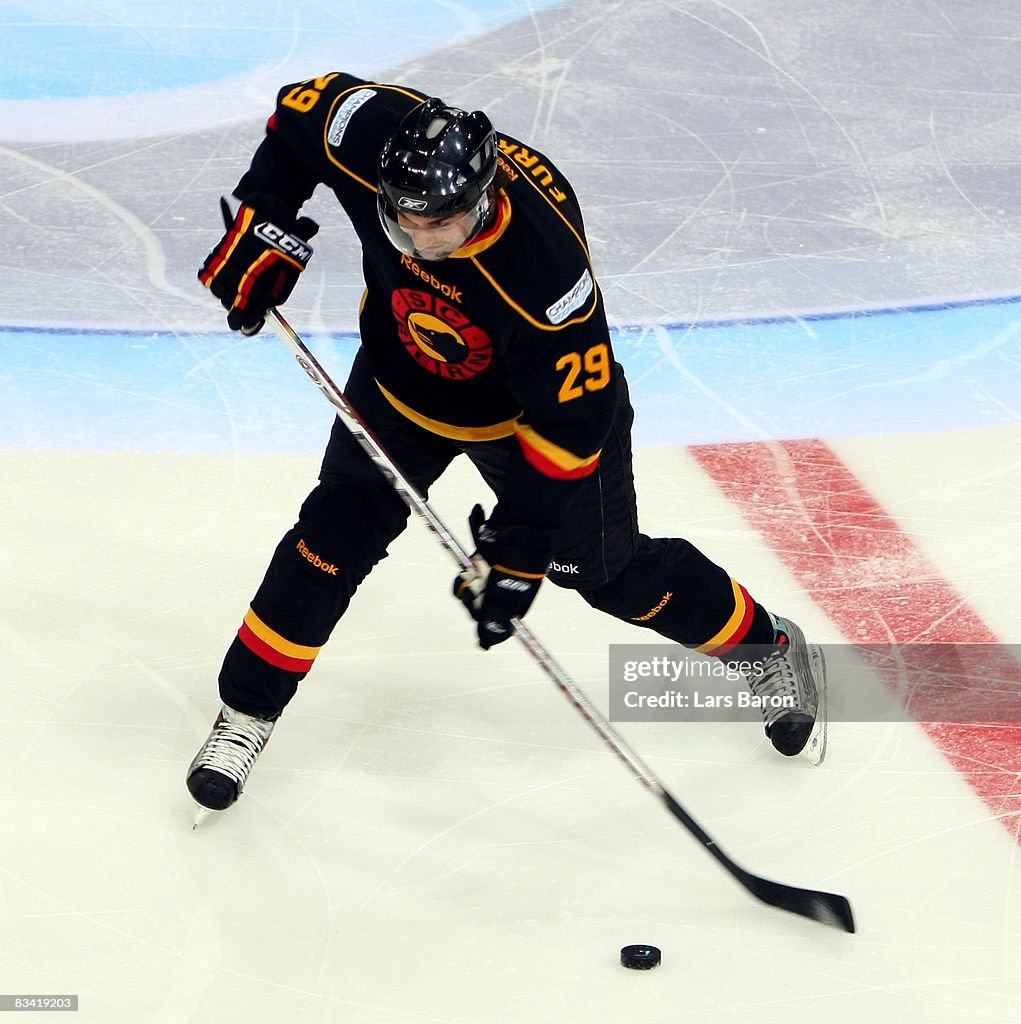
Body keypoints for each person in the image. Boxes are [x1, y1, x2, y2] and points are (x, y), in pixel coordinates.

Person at [187, 71, 827, 814]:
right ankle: (246, 714)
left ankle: (767, 648)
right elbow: (302, 112)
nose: (422, 242)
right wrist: (266, 222)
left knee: (603, 574)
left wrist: (520, 547)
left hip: (531, 420)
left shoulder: (543, 273)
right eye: (404, 224)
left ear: (483, 199)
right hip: (400, 387)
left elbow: (572, 426)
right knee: (332, 534)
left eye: (442, 227)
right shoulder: (377, 140)